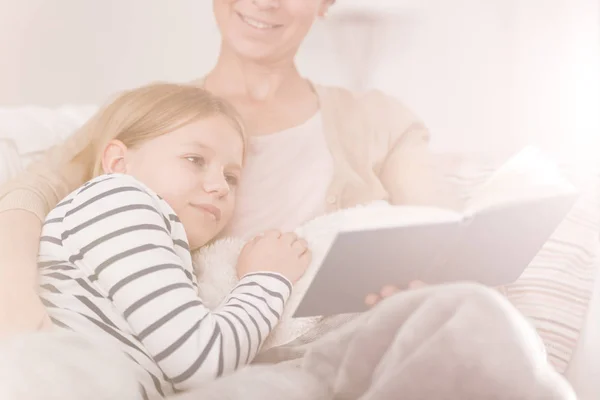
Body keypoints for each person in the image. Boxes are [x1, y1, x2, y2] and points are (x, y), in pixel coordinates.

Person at [0, 0, 449, 337]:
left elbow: (445, 236)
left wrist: (421, 283)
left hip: (351, 347)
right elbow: (26, 194)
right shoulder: (151, 116)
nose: (265, 1)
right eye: (196, 161)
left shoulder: (379, 120)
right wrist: (15, 299)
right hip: (205, 358)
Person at [36, 82, 312, 398]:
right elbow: (201, 362)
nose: (220, 186)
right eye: (195, 159)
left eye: (231, 177)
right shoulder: (119, 197)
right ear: (118, 163)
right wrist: (267, 277)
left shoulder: (154, 242)